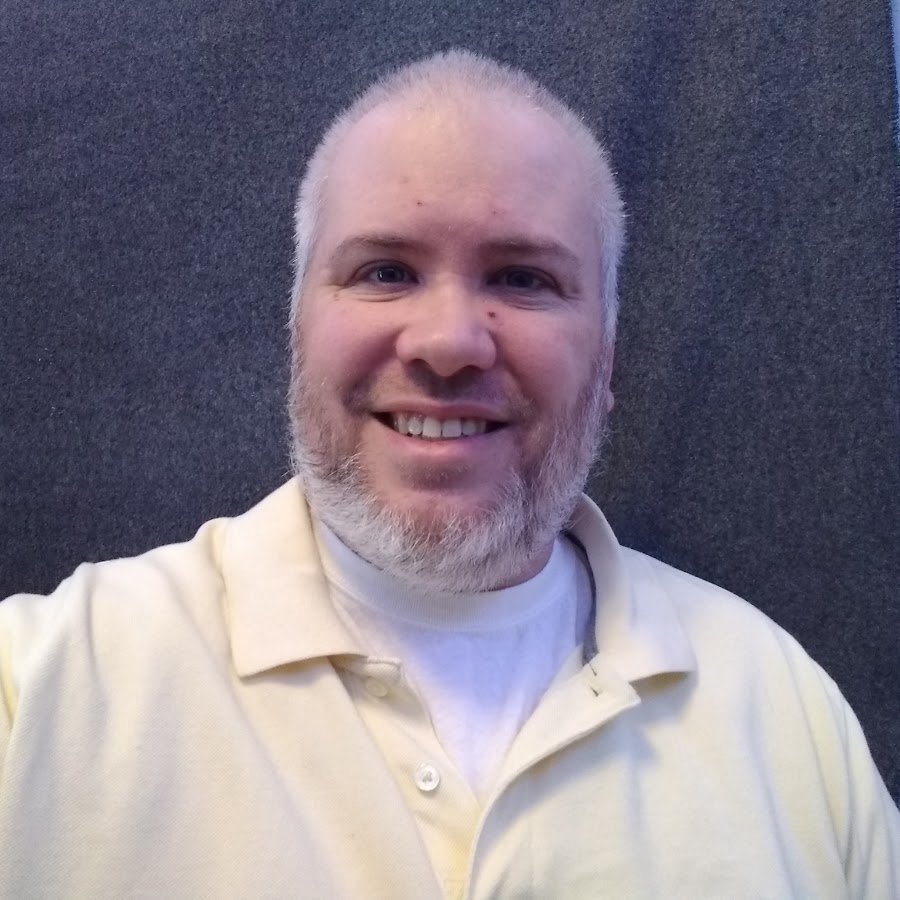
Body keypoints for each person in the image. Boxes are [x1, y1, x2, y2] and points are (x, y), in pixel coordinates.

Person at [1, 49, 897, 899]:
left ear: (609, 357)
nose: (447, 343)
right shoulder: (40, 687)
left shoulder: (786, 716)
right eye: (385, 271)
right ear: (297, 329)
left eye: (523, 279)